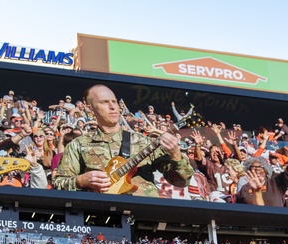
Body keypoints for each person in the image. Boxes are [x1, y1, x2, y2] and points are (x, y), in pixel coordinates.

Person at [53, 84, 193, 197]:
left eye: (114, 101)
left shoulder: (143, 142)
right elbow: (58, 183)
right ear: (90, 109)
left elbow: (181, 181)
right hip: (102, 216)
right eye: (104, 102)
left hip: (143, 215)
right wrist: (80, 181)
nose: (113, 106)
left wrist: (176, 155)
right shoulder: (78, 144)